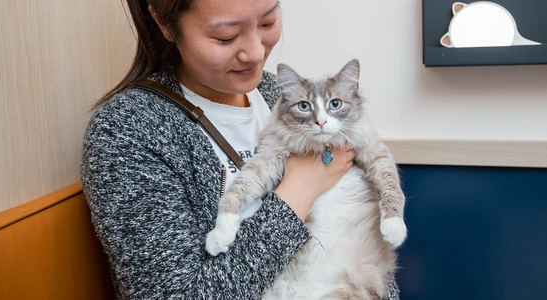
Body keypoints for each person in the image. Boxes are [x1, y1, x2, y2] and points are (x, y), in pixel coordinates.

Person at [81, 0, 400, 298]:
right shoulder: (130, 128)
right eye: (225, 36)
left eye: (268, 21)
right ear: (164, 23)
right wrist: (298, 190)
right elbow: (176, 293)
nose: (256, 52)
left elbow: (365, 246)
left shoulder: (283, 95)